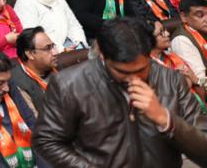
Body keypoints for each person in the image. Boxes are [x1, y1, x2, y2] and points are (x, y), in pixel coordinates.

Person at [34, 18, 207, 166]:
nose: (134, 79)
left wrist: (166, 120)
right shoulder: (69, 84)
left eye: (142, 69)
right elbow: (47, 140)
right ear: (102, 55)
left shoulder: (171, 80)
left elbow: (203, 147)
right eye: (123, 72)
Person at [10, 27, 59, 116]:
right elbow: (33, 121)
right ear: (30, 54)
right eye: (47, 48)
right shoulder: (16, 82)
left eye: (53, 46)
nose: (55, 52)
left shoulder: (57, 68)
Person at [166, 0, 207, 94]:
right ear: (183, 16)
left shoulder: (201, 29)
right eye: (200, 15)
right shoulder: (181, 40)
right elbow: (200, 81)